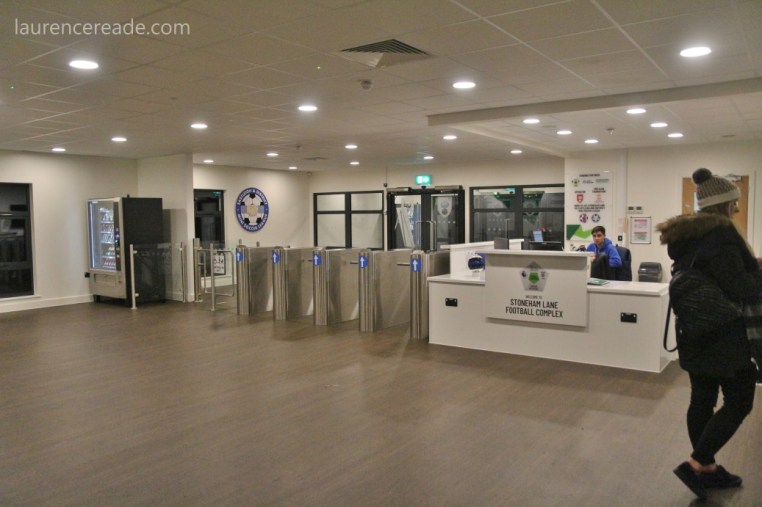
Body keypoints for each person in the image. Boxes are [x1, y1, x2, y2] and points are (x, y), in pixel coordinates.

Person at [656, 167, 761, 501]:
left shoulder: (688, 237)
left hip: (693, 330)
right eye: (734, 202)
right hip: (724, 333)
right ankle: (697, 462)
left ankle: (708, 468)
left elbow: (715, 276)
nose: (738, 207)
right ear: (725, 204)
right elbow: (743, 288)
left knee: (701, 398)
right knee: (740, 398)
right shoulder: (722, 236)